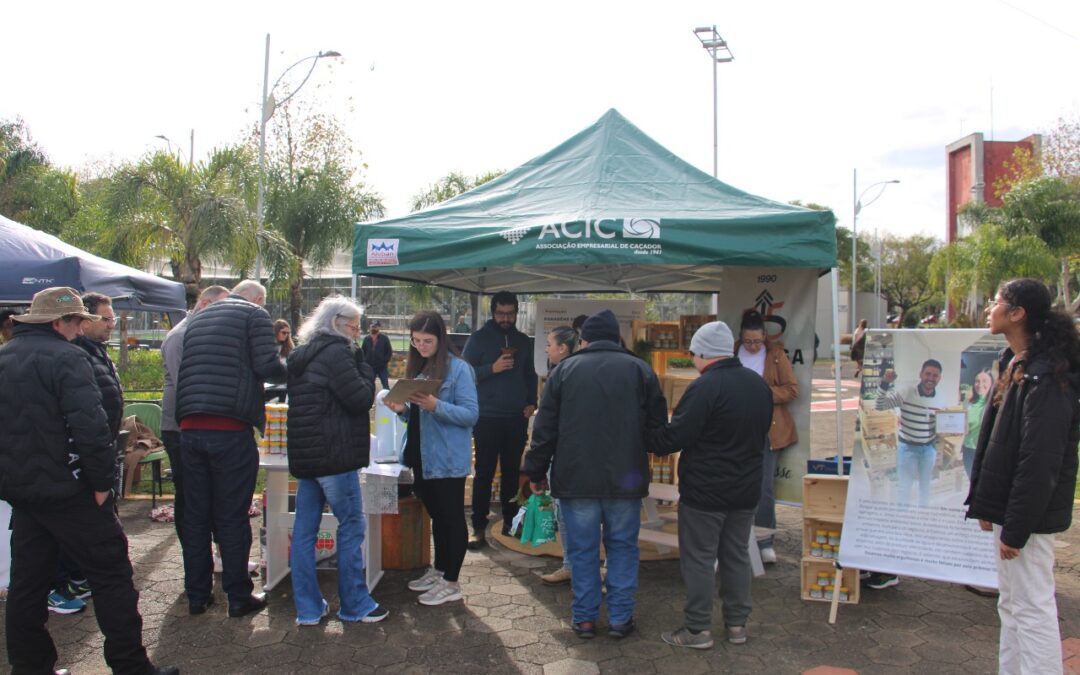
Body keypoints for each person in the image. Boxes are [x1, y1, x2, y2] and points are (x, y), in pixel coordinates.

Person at [0, 287, 177, 675]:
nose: (81, 328)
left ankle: (29, 667)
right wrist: (101, 484)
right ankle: (131, 666)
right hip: (72, 490)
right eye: (77, 321)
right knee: (112, 575)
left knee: (28, 584)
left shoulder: (6, 357)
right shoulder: (68, 358)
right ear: (60, 323)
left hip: (25, 493)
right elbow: (91, 428)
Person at [523, 309, 667, 639]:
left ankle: (585, 619)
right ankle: (619, 619)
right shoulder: (640, 370)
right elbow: (657, 429)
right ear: (618, 338)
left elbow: (544, 431)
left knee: (583, 551)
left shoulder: (563, 372)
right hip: (626, 479)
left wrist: (535, 471)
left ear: (583, 340)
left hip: (576, 480)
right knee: (623, 549)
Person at [966, 278, 1080, 675]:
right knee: (1011, 604)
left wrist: (1016, 528)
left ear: (1017, 314)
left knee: (1032, 608)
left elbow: (1040, 462)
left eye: (996, 302)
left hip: (1027, 518)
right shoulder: (1015, 363)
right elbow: (997, 444)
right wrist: (986, 503)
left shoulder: (1046, 377)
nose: (988, 309)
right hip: (1011, 511)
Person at [648, 321, 773, 649]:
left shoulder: (704, 387)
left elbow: (676, 438)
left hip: (705, 492)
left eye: (692, 353)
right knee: (736, 556)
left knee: (700, 558)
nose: (691, 358)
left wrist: (650, 431)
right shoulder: (756, 384)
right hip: (746, 489)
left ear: (703, 353)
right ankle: (737, 625)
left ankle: (697, 629)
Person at [176, 280, 286, 618]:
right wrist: (295, 372)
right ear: (258, 298)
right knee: (232, 516)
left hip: (189, 428)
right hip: (229, 431)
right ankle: (238, 596)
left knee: (194, 515)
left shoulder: (197, 318)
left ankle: (197, 595)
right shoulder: (254, 314)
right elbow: (267, 365)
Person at [286, 296, 388, 626]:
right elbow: (359, 398)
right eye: (354, 327)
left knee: (304, 532)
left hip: (307, 457)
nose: (358, 333)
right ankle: (355, 604)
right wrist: (365, 366)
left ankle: (308, 609)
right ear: (337, 325)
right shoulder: (338, 353)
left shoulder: (302, 355)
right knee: (351, 527)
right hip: (335, 455)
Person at [385, 310, 478, 606]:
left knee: (452, 518)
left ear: (441, 338)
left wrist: (437, 405)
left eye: (427, 341)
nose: (421, 346)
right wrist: (403, 411)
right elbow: (418, 416)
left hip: (448, 458)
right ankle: (440, 571)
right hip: (422, 457)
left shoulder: (459, 369)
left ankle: (452, 581)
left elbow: (470, 414)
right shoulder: (422, 368)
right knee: (437, 517)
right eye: (416, 341)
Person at [46, 292, 125, 611]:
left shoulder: (92, 352)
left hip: (88, 456)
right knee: (82, 532)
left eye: (113, 319)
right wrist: (99, 477)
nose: (110, 325)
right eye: (103, 319)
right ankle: (72, 579)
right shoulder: (73, 356)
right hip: (76, 462)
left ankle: (78, 576)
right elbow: (83, 419)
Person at [462, 291, 537, 548]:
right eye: (501, 313)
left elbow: (530, 375)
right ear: (492, 313)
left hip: (516, 417)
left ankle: (510, 522)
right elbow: (465, 374)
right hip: (486, 417)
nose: (505, 318)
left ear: (517, 313)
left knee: (511, 473)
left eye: (510, 314)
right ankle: (478, 528)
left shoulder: (523, 341)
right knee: (483, 473)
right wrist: (491, 369)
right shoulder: (479, 339)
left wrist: (531, 402)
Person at [864, 358, 946, 591]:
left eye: (935, 375)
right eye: (928, 374)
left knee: (925, 488)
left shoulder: (940, 398)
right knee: (903, 487)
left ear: (939, 378)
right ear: (921, 373)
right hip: (907, 447)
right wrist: (884, 384)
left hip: (927, 448)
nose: (931, 378)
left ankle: (921, 525)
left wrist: (938, 442)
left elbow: (937, 425)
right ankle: (901, 524)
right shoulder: (907, 392)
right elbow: (880, 405)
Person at [160, 285, 229, 552]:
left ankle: (211, 553)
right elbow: (186, 384)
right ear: (203, 304)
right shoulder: (180, 337)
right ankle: (195, 555)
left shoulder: (204, 334)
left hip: (200, 425)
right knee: (189, 497)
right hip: (180, 428)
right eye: (218, 308)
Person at [735, 309, 798, 565]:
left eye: (757, 341)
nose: (752, 346)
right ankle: (738, 538)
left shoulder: (775, 355)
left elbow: (792, 389)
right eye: (748, 341)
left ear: (764, 337)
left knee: (764, 487)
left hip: (769, 431)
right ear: (741, 338)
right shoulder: (731, 352)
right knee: (735, 484)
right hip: (736, 429)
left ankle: (765, 541)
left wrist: (760, 393)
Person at [537, 325, 579, 586]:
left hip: (566, 455)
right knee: (564, 511)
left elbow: (548, 423)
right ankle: (571, 565)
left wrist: (537, 465)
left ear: (563, 348)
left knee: (567, 512)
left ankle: (575, 567)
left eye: (550, 344)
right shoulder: (562, 371)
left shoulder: (566, 373)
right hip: (567, 454)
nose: (546, 348)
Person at [961, 369, 994, 479]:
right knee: (971, 480)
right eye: (977, 381)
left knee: (982, 482)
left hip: (984, 451)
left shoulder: (995, 404)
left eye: (984, 381)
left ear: (991, 383)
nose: (980, 384)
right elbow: (962, 425)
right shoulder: (967, 403)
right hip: (968, 449)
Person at [361, 320, 393, 390]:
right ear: (370, 327)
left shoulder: (384, 338)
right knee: (369, 385)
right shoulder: (366, 339)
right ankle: (370, 400)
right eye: (372, 326)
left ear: (379, 327)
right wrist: (365, 362)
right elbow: (363, 351)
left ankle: (387, 400)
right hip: (370, 367)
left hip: (382, 367)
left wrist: (384, 361)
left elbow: (389, 351)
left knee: (385, 385)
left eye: (375, 327)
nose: (373, 328)